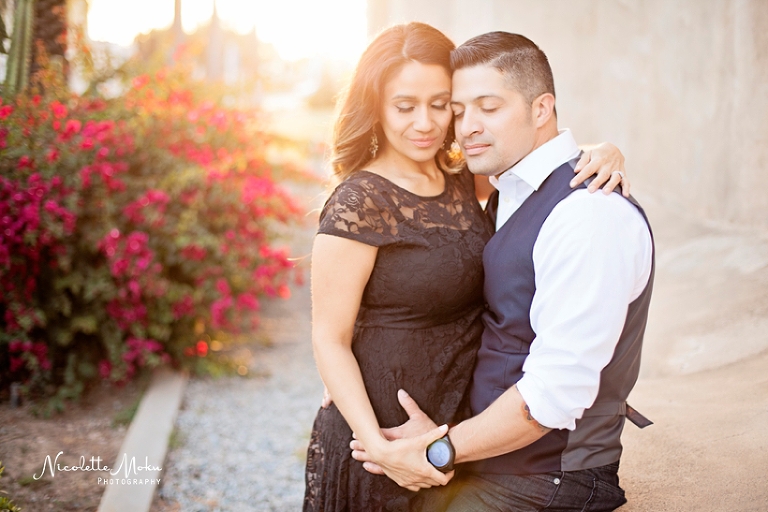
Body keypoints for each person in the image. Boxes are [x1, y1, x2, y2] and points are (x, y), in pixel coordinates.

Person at [305, 23, 629, 512]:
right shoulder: (359, 201)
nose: (427, 123)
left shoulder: (464, 178)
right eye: (405, 106)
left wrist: (601, 152)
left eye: (442, 105)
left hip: (453, 428)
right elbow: (329, 336)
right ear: (376, 107)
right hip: (381, 436)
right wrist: (379, 445)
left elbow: (533, 173)